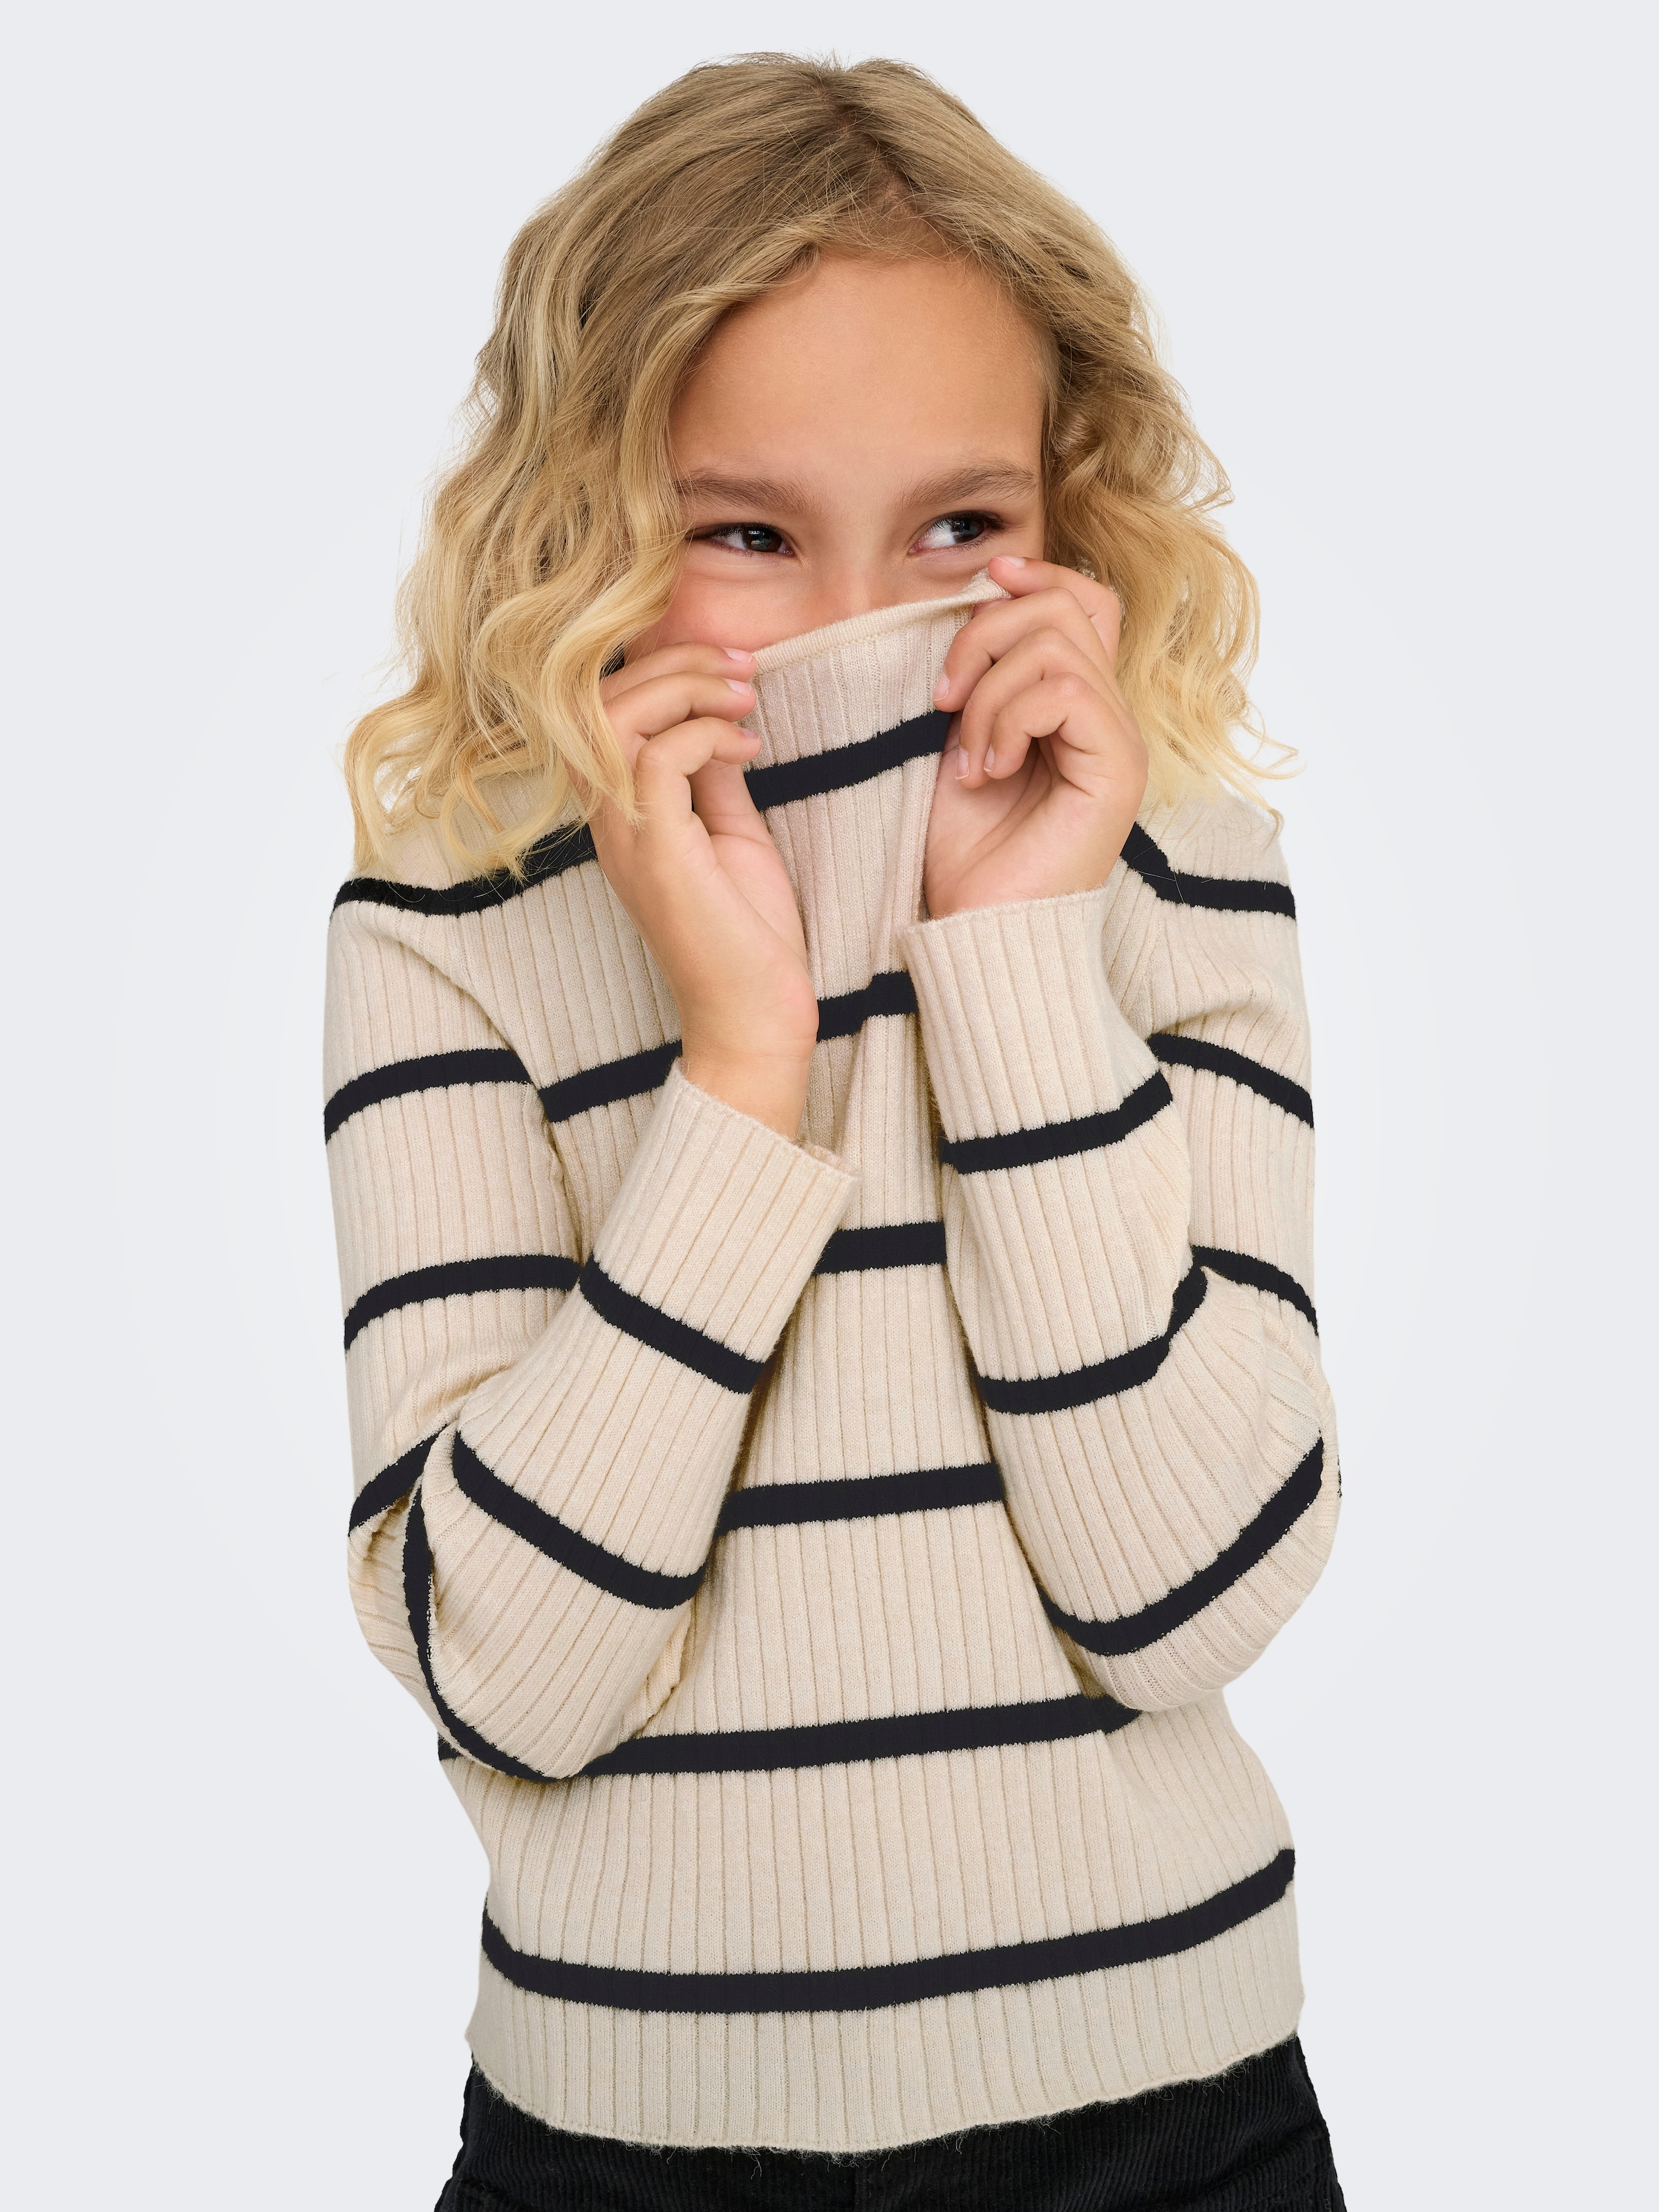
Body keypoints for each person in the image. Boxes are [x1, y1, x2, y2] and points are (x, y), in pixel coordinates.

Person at [324, 54, 1345, 2211]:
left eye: (961, 528)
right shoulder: (453, 922)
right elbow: (507, 1668)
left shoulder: (1183, 870)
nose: (866, 625)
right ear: (593, 518)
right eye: (750, 534)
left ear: (1072, 506)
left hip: (1168, 2125)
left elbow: (1191, 1591)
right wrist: (739, 1070)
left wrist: (1012, 965)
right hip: (623, 2149)